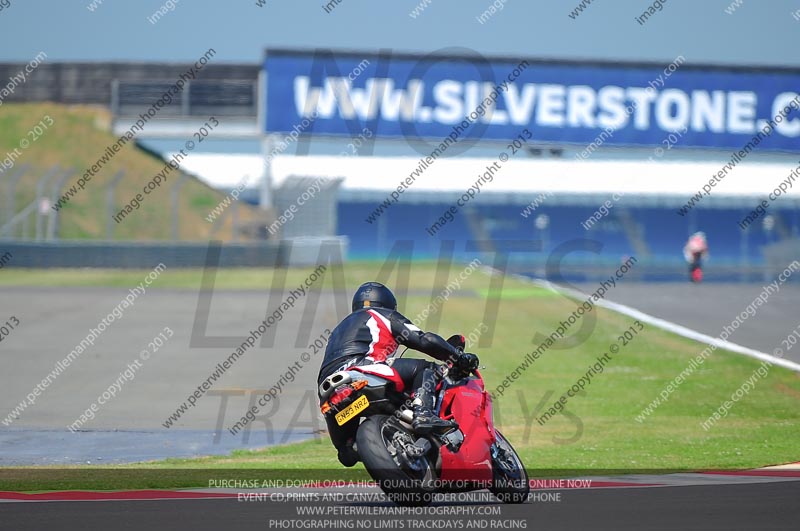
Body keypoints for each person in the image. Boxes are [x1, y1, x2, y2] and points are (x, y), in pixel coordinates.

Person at [317, 281, 479, 467]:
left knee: (347, 453)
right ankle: (423, 412)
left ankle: (387, 446)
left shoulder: (338, 331)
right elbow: (424, 340)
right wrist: (457, 356)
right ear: (387, 304)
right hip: (362, 371)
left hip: (329, 393)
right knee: (426, 368)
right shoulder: (381, 314)